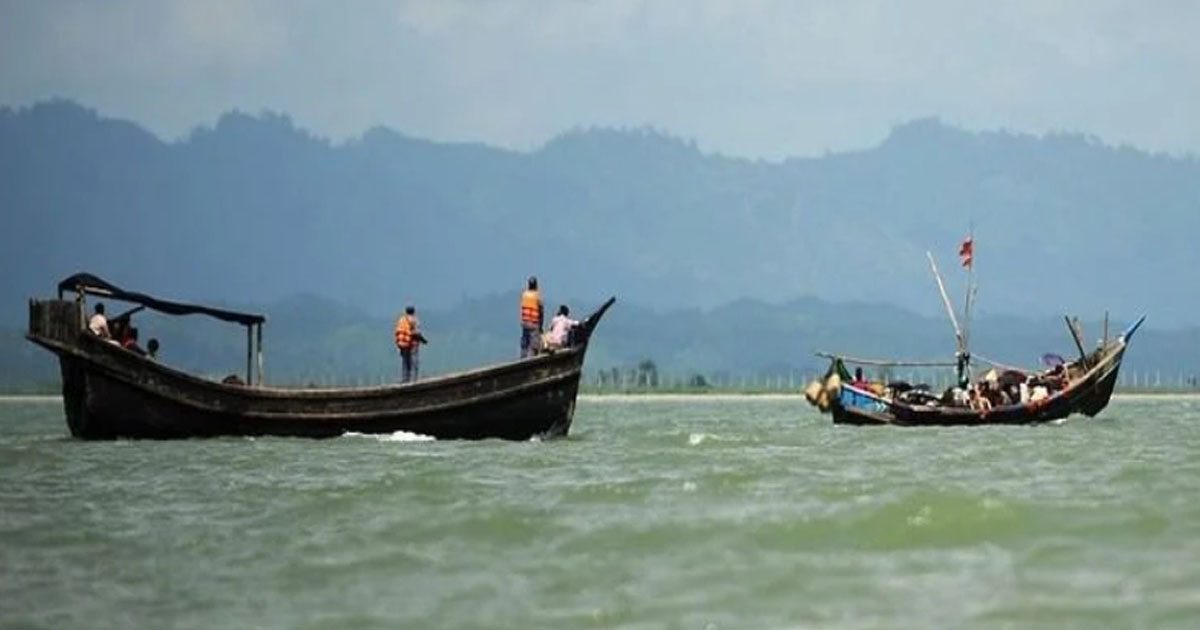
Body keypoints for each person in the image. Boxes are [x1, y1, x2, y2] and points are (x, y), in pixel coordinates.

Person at [394, 305, 427, 383]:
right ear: (414, 311)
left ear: (406, 311)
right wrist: (423, 340)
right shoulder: (414, 320)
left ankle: (405, 381)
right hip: (413, 345)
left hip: (403, 344)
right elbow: (416, 333)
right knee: (414, 364)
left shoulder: (402, 320)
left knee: (405, 364)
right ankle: (413, 382)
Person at [519, 276, 543, 358]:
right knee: (534, 345)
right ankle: (531, 361)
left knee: (525, 343)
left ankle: (522, 359)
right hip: (534, 323)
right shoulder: (537, 296)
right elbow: (541, 312)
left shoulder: (524, 295)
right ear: (536, 285)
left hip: (525, 322)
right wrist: (541, 326)